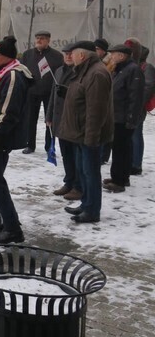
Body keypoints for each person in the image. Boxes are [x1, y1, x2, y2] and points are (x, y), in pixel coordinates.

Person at [0, 36, 33, 243]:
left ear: (7, 57)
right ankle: (0, 220)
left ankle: (12, 227)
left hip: (0, 135)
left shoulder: (13, 75)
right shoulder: (2, 72)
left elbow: (9, 110)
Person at [59, 41, 114, 224]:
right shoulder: (85, 71)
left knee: (91, 173)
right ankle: (86, 204)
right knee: (83, 171)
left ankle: (92, 211)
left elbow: (96, 110)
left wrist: (92, 137)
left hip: (88, 135)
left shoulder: (96, 73)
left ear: (82, 55)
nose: (70, 57)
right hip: (80, 133)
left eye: (72, 53)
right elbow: (83, 97)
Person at [104, 43, 144, 193]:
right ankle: (120, 177)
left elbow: (135, 97)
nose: (111, 57)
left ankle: (119, 181)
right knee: (120, 148)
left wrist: (131, 118)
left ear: (121, 56)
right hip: (117, 116)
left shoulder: (132, 70)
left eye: (113, 54)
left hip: (123, 118)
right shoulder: (120, 69)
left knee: (121, 149)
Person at [45, 44, 82, 201]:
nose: (68, 56)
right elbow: (53, 94)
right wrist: (49, 115)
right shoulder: (59, 71)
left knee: (76, 155)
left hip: (74, 120)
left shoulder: (80, 72)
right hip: (59, 119)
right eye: (65, 54)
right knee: (66, 153)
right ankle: (69, 182)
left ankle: (79, 186)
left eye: (70, 54)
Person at [20, 30, 64, 154]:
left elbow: (61, 72)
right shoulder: (27, 54)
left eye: (42, 38)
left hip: (49, 92)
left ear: (48, 40)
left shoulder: (57, 56)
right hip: (31, 91)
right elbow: (21, 71)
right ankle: (30, 144)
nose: (39, 40)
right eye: (37, 38)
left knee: (50, 120)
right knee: (30, 119)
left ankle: (49, 145)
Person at [132, 46, 155, 175]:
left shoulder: (147, 68)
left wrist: (138, 103)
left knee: (136, 135)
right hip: (129, 106)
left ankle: (136, 164)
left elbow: (149, 87)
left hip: (138, 107)